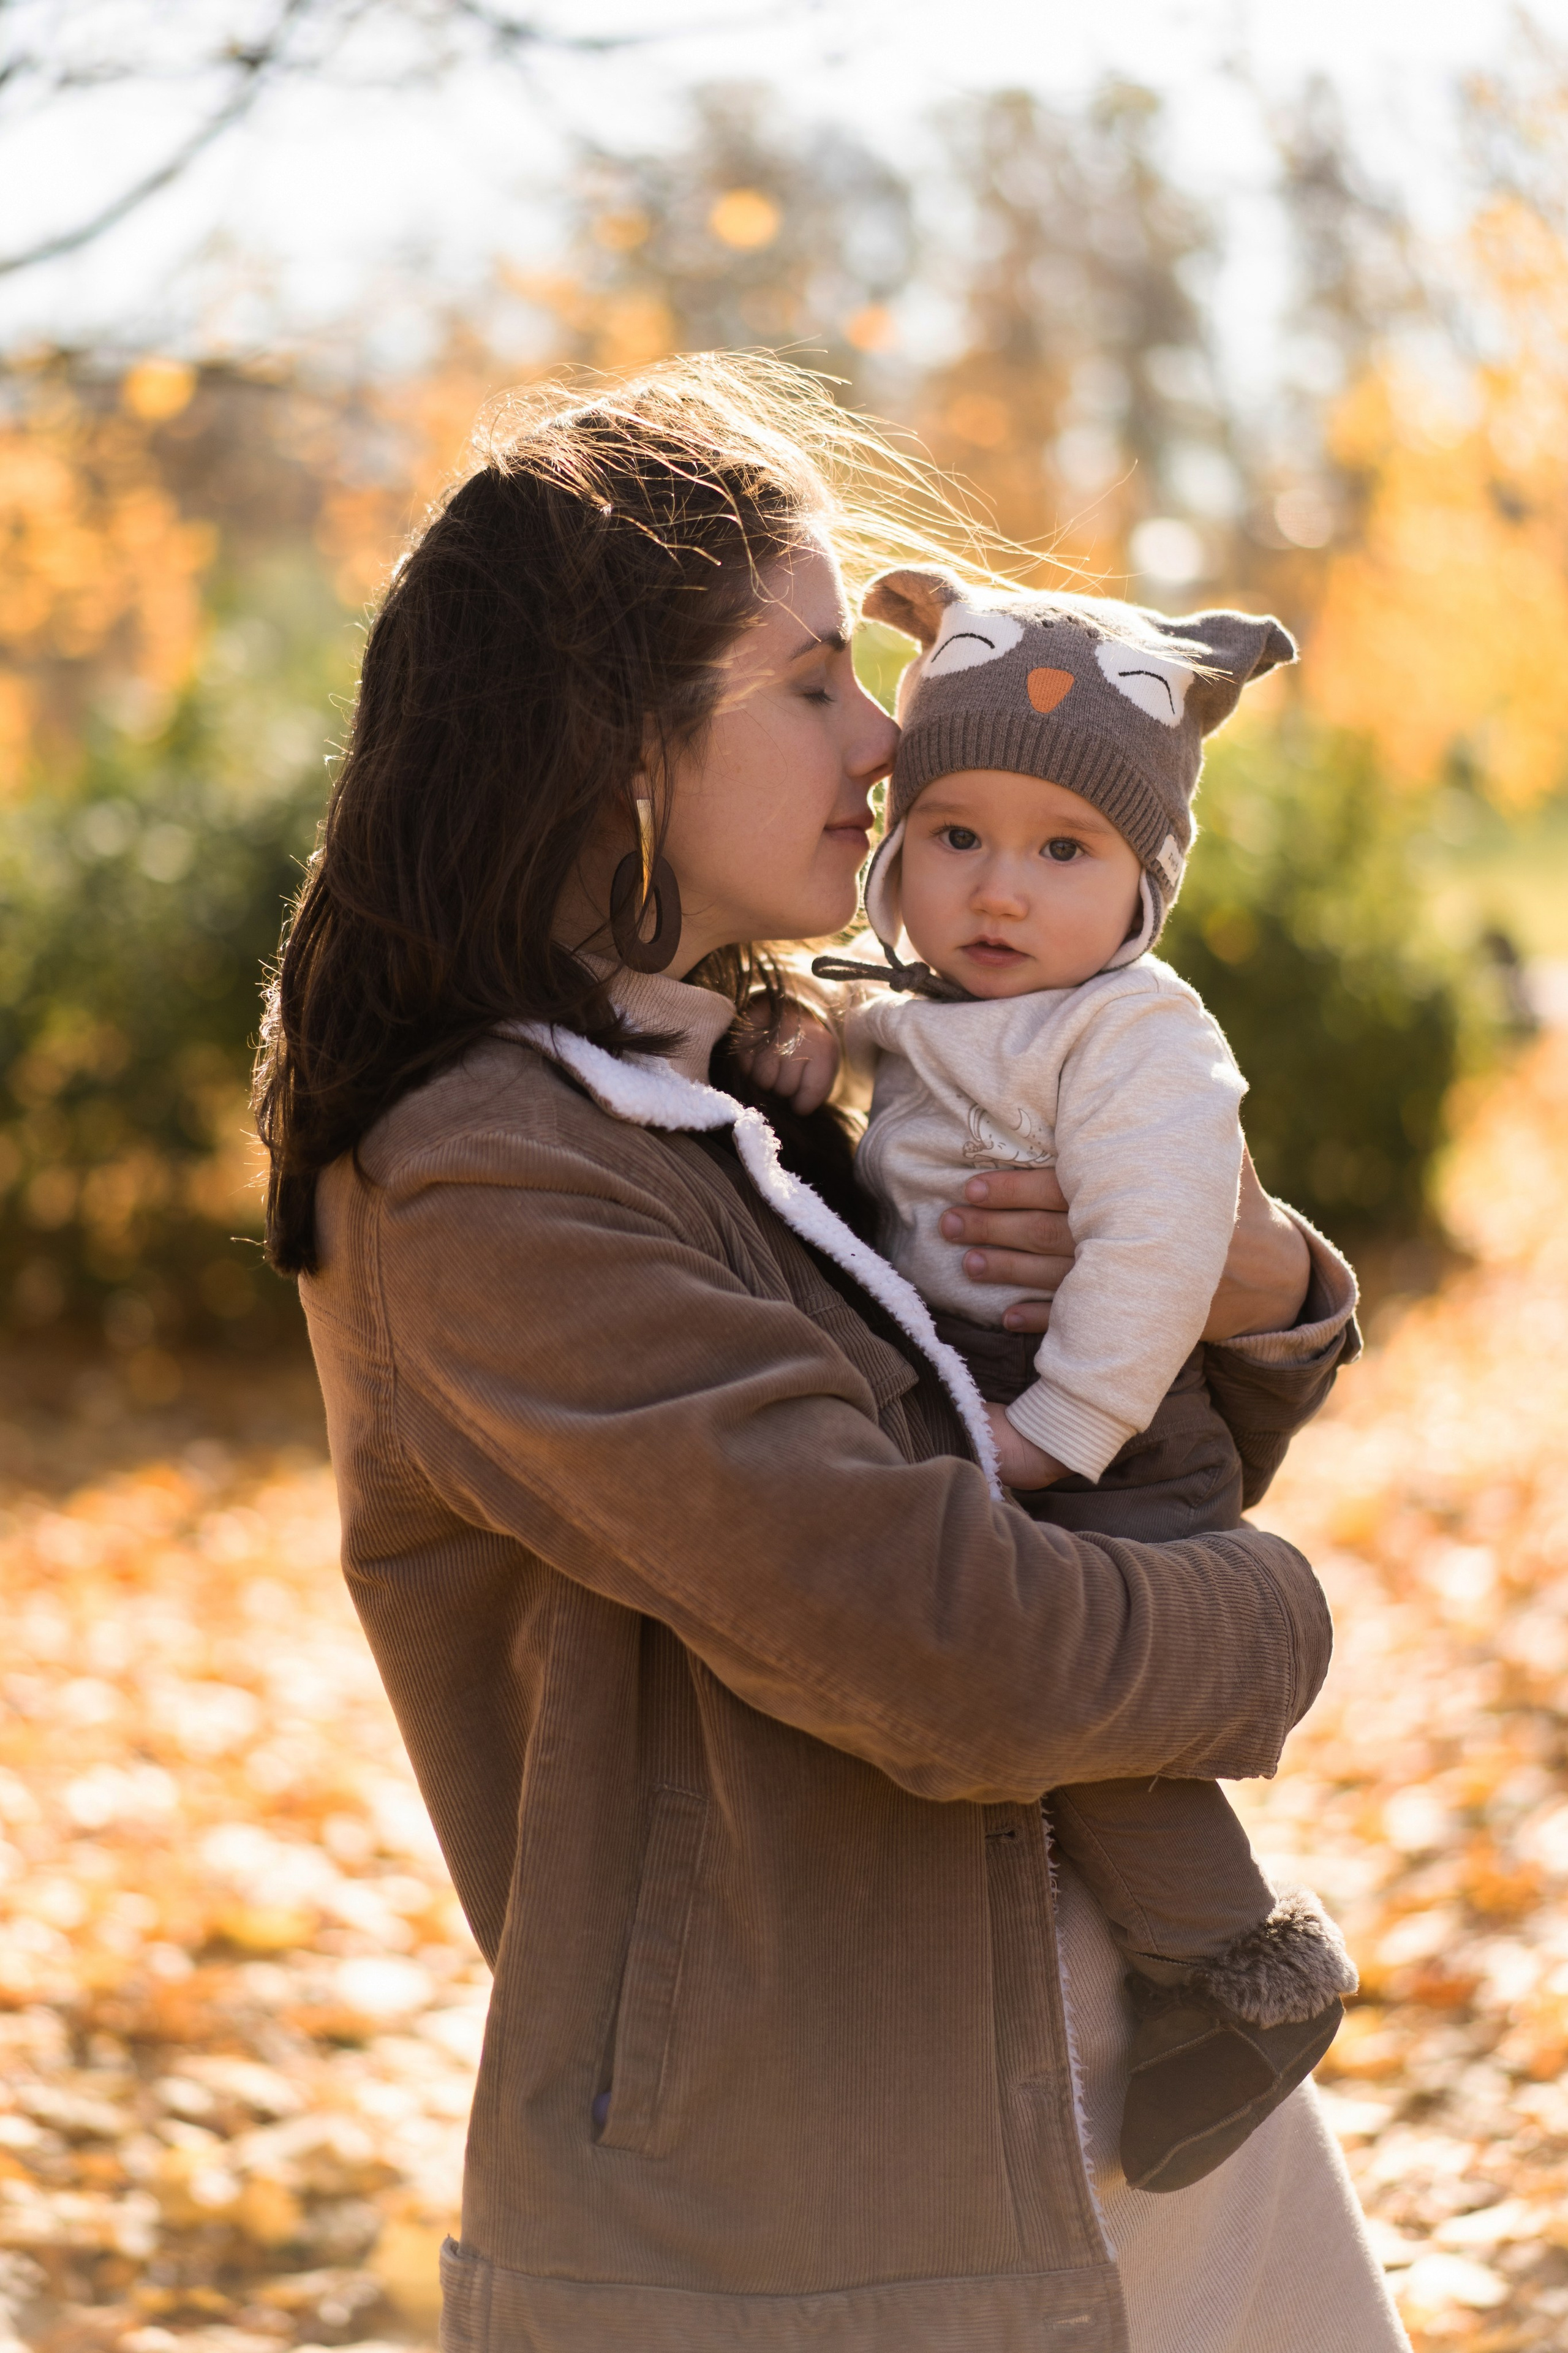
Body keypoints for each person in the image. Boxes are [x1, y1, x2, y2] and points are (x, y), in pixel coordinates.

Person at [255, 355, 1408, 2352]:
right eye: (809, 680)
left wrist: (1251, 1277)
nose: (883, 739)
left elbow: (1061, 1475)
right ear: (613, 742)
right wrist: (1275, 1626)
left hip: (1111, 2085)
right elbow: (952, 1642)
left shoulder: (747, 1067)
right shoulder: (488, 1176)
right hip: (813, 2209)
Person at [747, 567, 1357, 2197]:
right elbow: (877, 1041)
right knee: (1063, 1700)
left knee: (1103, 1717)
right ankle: (1193, 1970)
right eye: (955, 836)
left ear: (1145, 882)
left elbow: (1164, 1248)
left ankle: (1235, 1971)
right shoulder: (938, 1007)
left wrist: (1055, 1431)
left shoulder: (1139, 1038)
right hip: (998, 1395)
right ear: (896, 850)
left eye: (1064, 851)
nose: (998, 890)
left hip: (1110, 1415)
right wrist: (809, 1032)